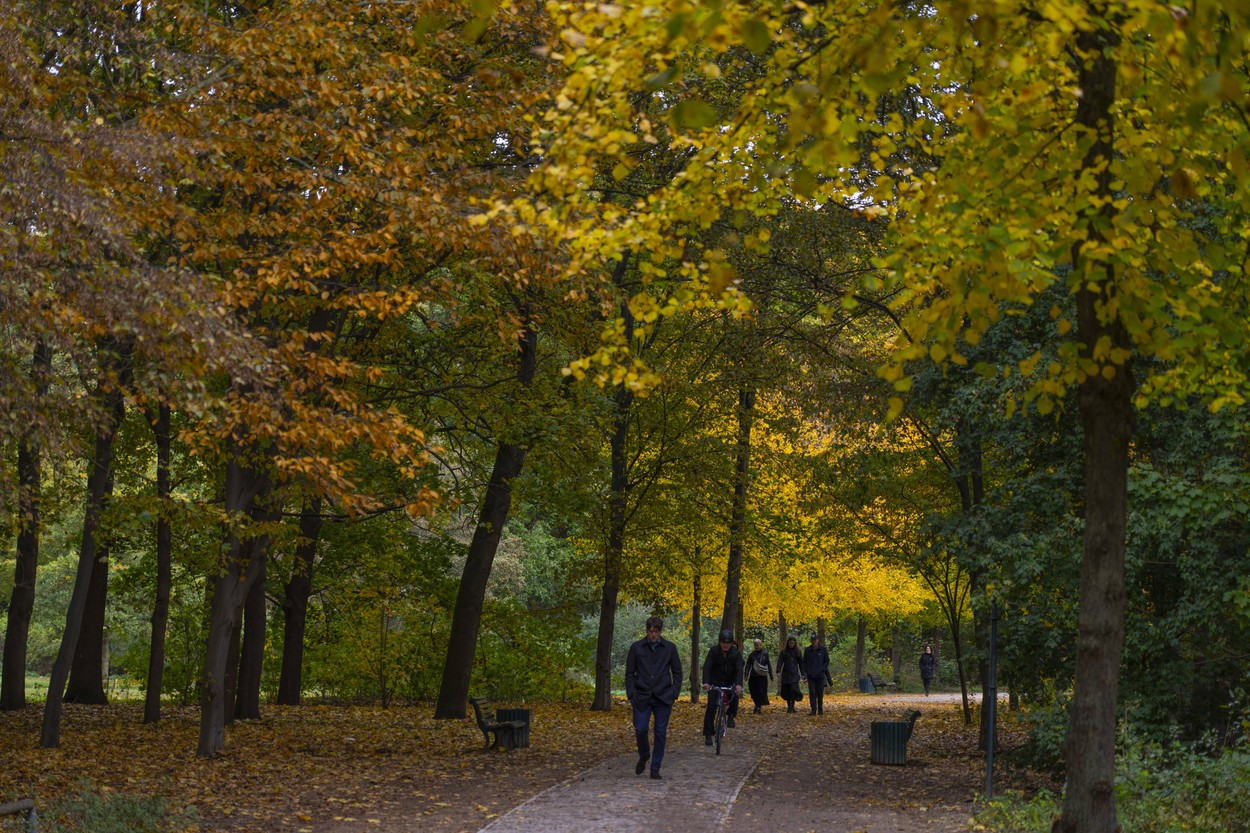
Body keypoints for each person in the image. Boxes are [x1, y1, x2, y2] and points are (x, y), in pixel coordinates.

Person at [624, 616, 682, 780]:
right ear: (647, 630)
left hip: (663, 697)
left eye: (656, 631)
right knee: (640, 728)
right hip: (642, 696)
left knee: (660, 732)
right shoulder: (636, 648)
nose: (653, 634)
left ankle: (655, 767)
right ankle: (644, 754)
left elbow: (677, 672)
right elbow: (629, 672)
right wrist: (631, 693)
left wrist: (674, 693)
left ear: (660, 632)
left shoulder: (670, 648)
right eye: (651, 631)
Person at [701, 628, 743, 745]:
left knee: (734, 696)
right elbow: (707, 667)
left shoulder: (735, 654)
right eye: (723, 642)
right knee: (711, 707)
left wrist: (739, 685)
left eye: (728, 643)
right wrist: (706, 682)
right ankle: (708, 735)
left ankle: (731, 715)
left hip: (730, 682)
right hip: (715, 682)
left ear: (731, 643)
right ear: (720, 642)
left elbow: (739, 669)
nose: (725, 645)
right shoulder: (713, 652)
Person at [802, 634, 832, 715]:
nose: (814, 641)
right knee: (812, 693)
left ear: (818, 640)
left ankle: (820, 709)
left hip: (820, 676)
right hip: (811, 675)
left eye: (815, 639)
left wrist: (823, 668)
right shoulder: (807, 650)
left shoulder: (823, 649)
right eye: (812, 640)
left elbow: (826, 661)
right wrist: (806, 673)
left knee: (820, 693)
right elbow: (804, 662)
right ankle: (813, 710)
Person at [776, 636, 804, 712]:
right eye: (790, 643)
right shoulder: (784, 651)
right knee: (787, 690)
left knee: (793, 689)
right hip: (786, 673)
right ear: (788, 643)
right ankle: (789, 706)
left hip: (794, 673)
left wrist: (803, 673)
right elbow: (780, 661)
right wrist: (778, 670)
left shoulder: (798, 651)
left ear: (795, 643)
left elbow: (801, 663)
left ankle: (792, 705)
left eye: (793, 643)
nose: (791, 644)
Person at [746, 638, 773, 713]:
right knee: (753, 692)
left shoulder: (765, 654)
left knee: (760, 692)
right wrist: (746, 674)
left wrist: (771, 675)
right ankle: (756, 705)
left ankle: (758, 707)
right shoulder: (752, 654)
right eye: (755, 645)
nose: (756, 647)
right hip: (753, 676)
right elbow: (748, 665)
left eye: (758, 645)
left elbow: (768, 664)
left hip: (762, 677)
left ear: (761, 645)